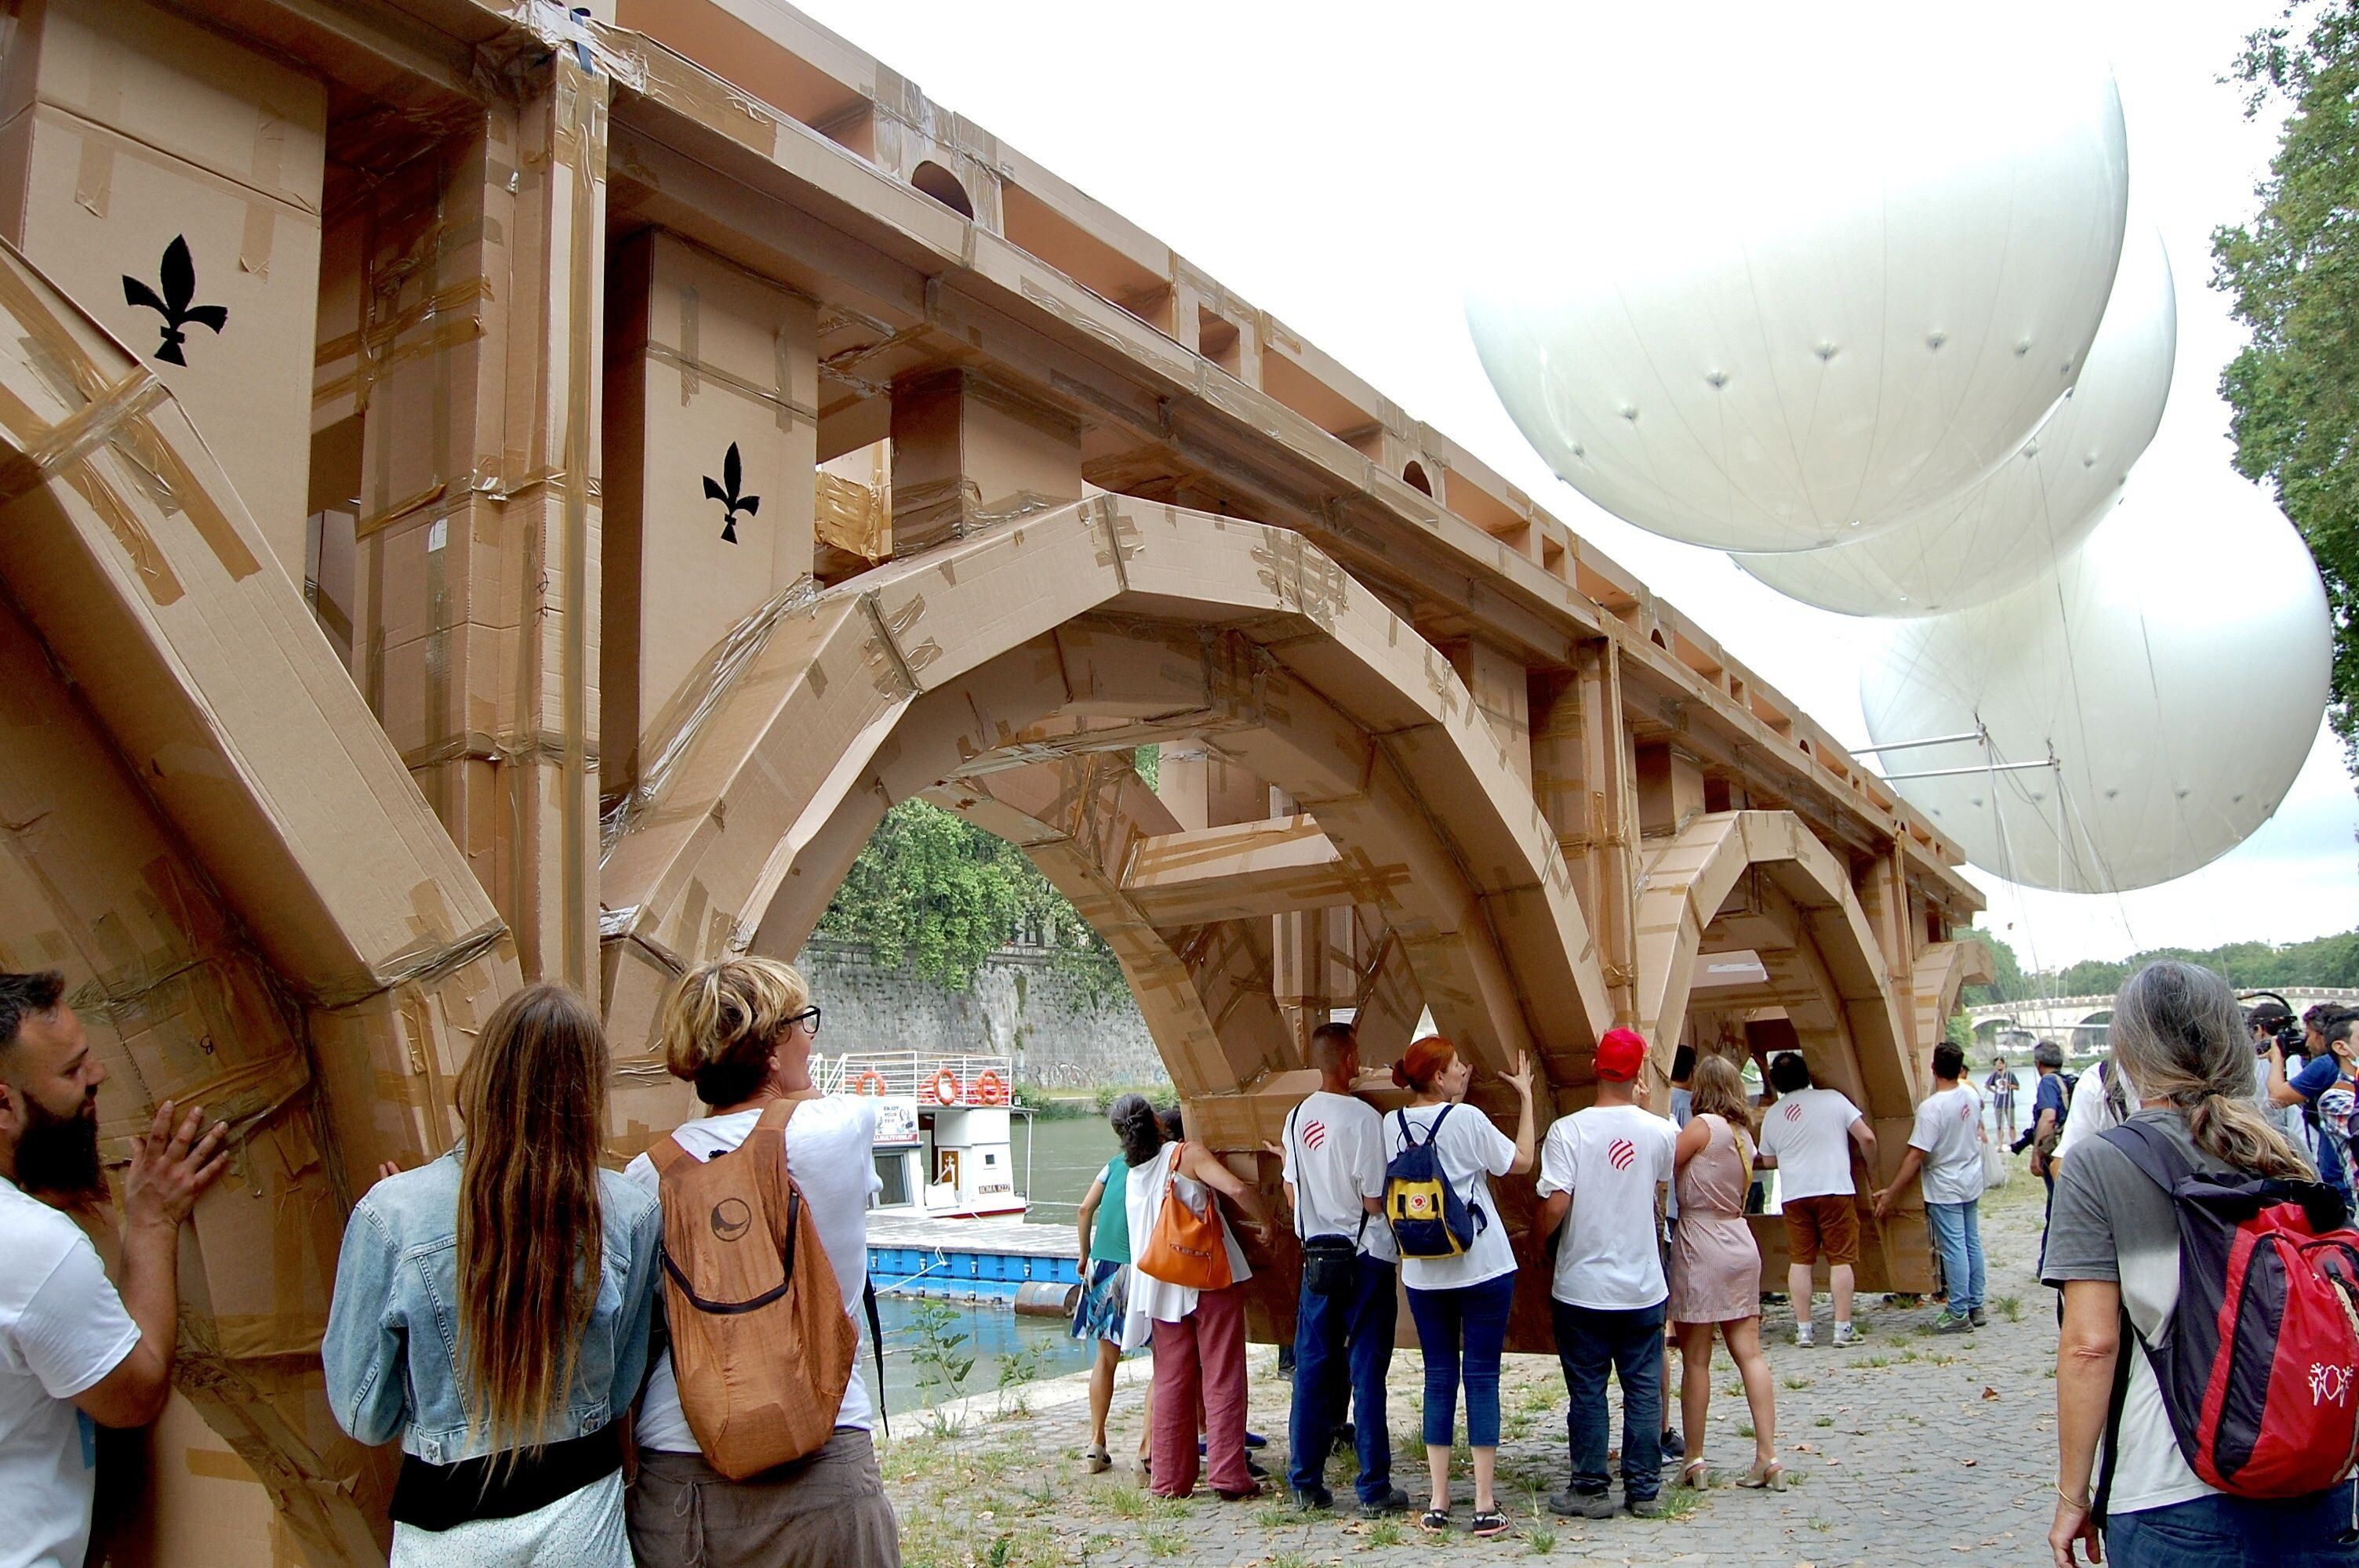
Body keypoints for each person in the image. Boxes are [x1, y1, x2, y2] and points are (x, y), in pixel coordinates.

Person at [325, 985, 663, 1566]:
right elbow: (617, 1390)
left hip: (443, 1526)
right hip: (581, 1517)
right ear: (589, 1093)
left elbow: (364, 1417)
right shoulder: (632, 1213)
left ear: (482, 1076)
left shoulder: (391, 1216)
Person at [2045, 960, 2357, 1567]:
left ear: (2129, 1050)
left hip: (2174, 1493)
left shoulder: (2101, 1163)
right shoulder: (2281, 1150)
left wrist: (2073, 1493)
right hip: (2315, 1476)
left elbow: (2089, 1345)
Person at [620, 957, 899, 1567]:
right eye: (803, 1023)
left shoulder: (646, 1175)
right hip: (821, 1466)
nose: (811, 1036)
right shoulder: (841, 1127)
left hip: (681, 1480)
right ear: (772, 1046)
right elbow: (808, 1099)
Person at [0, 970, 227, 1568]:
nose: (97, 1077)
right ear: (2, 1103)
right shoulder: (31, 1248)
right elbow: (133, 1395)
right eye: (72, 1072)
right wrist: (152, 1223)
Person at [1384, 1036, 1537, 1537]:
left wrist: (1456, 1092)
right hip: (1483, 1265)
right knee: (1482, 1377)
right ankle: (1486, 1503)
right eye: (1455, 1068)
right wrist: (1527, 1096)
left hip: (1423, 1272)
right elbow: (1520, 1162)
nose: (1464, 1071)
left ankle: (1439, 1499)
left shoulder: (1394, 1124)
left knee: (1439, 1377)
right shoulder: (1468, 1119)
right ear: (1438, 1079)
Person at [1536, 1027, 1677, 1521]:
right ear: (1638, 1074)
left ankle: (1591, 1487)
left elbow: (1557, 1203)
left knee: (1588, 1390)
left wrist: (1540, 1238)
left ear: (1595, 1068)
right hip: (1642, 1284)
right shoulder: (1661, 1132)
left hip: (1582, 1284)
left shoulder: (1568, 1131)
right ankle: (1644, 1490)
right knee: (1642, 1387)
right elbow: (1659, 1181)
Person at [1278, 1022, 1408, 1515]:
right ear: (1350, 1060)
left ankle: (1305, 1482)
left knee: (1311, 1369)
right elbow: (1374, 1202)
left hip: (1317, 1259)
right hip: (1366, 1260)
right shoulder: (1365, 1120)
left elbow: (1292, 1188)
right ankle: (1374, 1487)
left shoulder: (1294, 1118)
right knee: (1368, 1371)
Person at [1121, 1094, 1274, 1501]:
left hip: (1159, 1285)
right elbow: (1236, 1188)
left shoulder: (1133, 1171)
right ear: (1158, 1120)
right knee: (1223, 1373)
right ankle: (1227, 1475)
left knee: (1172, 1379)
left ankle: (1170, 1480)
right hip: (1208, 1276)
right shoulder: (1186, 1155)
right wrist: (1266, 1223)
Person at [1666, 1054, 1783, 1494]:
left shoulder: (1702, 1127)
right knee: (1749, 1353)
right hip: (1740, 1237)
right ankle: (1768, 1455)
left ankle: (1694, 1458)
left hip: (1702, 1238)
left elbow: (1665, 1162)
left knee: (1697, 1359)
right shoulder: (1742, 1136)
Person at [1754, 1051, 1875, 1347]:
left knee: (1800, 1261)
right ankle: (1842, 1328)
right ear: (1808, 1074)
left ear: (1777, 1083)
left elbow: (1768, 1162)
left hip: (1795, 1193)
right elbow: (1867, 1138)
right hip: (1835, 1188)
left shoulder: (1772, 1115)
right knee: (1841, 1259)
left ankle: (1804, 1330)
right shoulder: (1833, 1099)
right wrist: (1870, 1170)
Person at [1871, 1042, 1988, 1332]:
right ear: (1960, 1068)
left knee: (1954, 1246)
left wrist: (1893, 1191)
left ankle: (1958, 1310)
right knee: (1971, 1241)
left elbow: (1916, 1154)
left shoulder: (1931, 1108)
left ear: (1933, 1069)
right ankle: (1976, 1303)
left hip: (1944, 1182)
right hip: (1970, 1176)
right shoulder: (1971, 1096)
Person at [1074, 1094, 1150, 1475]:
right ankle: (1145, 1453)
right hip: (1142, 1269)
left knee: (1106, 1360)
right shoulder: (1158, 1163)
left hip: (1104, 1266)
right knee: (1163, 1362)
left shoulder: (1112, 1166)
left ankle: (1096, 1443)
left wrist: (1084, 1255)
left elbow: (1085, 1209)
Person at [2268, 1011, 2355, 1199]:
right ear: (2341, 1047)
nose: (2306, 1043)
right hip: (2343, 1186)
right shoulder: (2336, 1098)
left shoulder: (2324, 1065)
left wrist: (2277, 1058)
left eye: (2308, 1035)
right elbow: (2278, 1098)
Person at [1986, 1057, 2021, 1142]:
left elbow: (2017, 1087)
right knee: (1999, 1126)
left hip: (2009, 1103)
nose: (1999, 1066)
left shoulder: (2010, 1075)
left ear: (2004, 1064)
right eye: (1997, 1064)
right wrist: (1995, 1092)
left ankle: (2013, 1143)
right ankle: (2000, 1145)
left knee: (2011, 1125)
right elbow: (1987, 1085)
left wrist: (2008, 1086)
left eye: (2000, 1063)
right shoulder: (1994, 1075)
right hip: (1998, 1104)